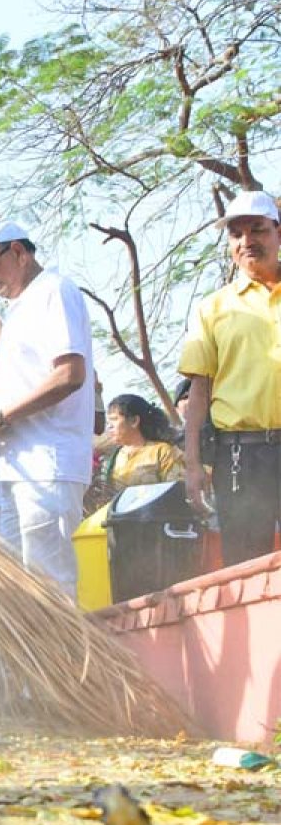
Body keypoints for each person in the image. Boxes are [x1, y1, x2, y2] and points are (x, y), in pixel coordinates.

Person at [0, 219, 94, 599]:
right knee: (21, 592)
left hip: (46, 463)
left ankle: (61, 660)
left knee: (49, 585)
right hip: (17, 468)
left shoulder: (53, 290)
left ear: (17, 251)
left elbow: (70, 374)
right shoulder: (20, 307)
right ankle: (29, 661)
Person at [179, 189, 281, 566]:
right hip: (241, 456)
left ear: (278, 233)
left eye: (258, 230)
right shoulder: (213, 308)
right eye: (236, 235)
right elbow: (198, 391)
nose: (247, 241)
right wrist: (192, 466)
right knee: (246, 568)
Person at [104, 394, 184, 490]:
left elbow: (177, 489)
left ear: (134, 421)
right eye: (108, 422)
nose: (109, 427)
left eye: (114, 419)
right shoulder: (114, 458)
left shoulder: (162, 451)